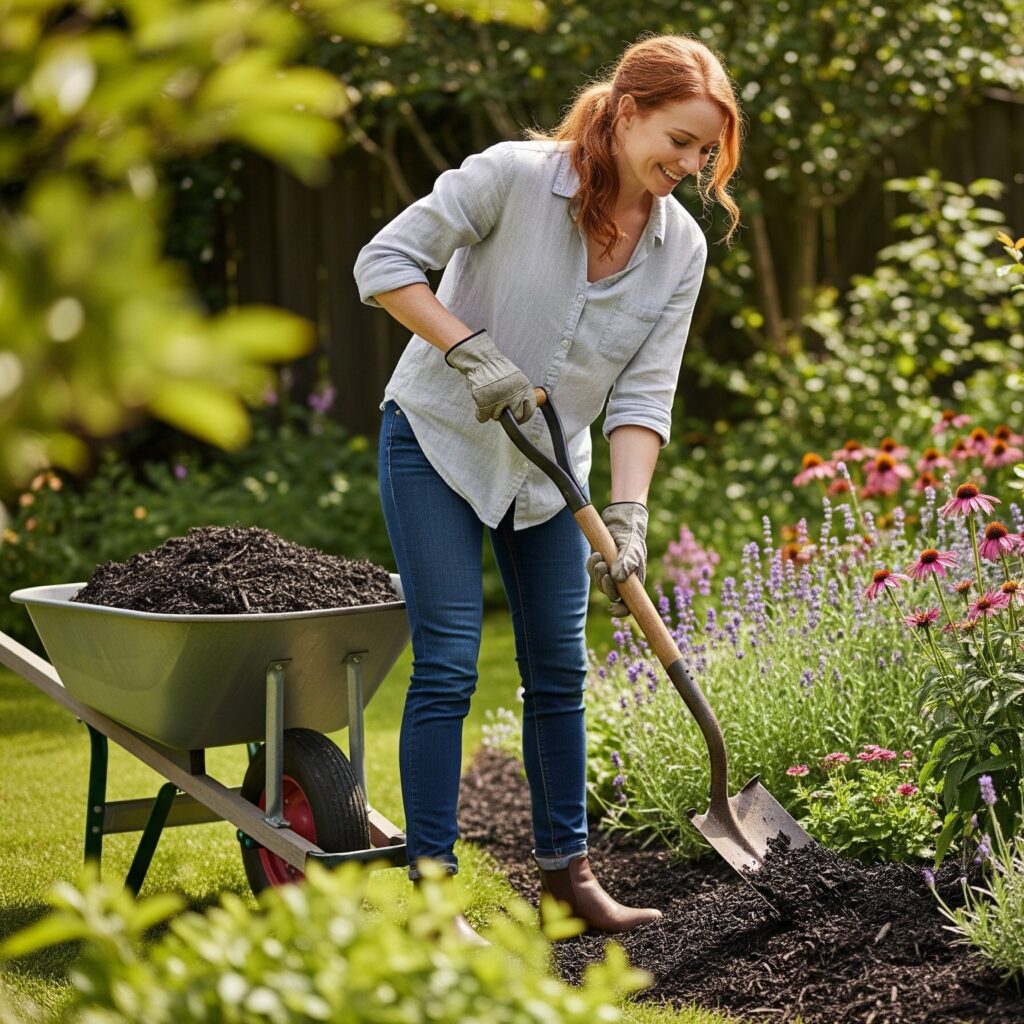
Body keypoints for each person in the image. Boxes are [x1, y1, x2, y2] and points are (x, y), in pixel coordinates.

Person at [353, 33, 742, 941]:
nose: (688, 166)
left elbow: (644, 393)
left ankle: (568, 875)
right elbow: (384, 263)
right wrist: (468, 349)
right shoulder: (514, 177)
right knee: (448, 664)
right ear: (628, 111)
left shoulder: (678, 246)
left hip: (549, 470)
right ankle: (433, 896)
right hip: (440, 438)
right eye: (678, 141)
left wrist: (631, 507)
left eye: (704, 153)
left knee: (559, 671)